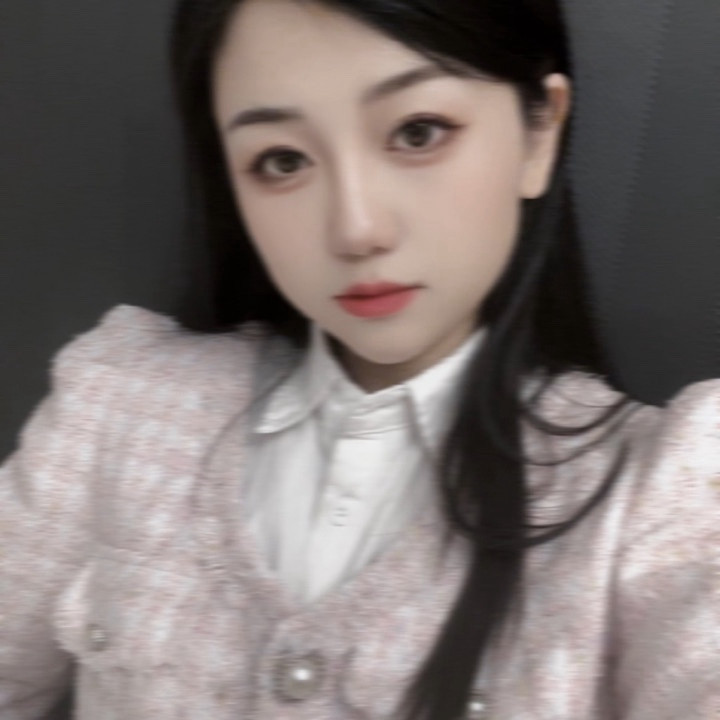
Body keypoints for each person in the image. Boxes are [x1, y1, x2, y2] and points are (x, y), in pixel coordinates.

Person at [0, 0, 718, 718]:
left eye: (418, 132)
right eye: (282, 161)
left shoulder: (660, 496)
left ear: (539, 133)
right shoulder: (119, 407)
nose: (356, 229)